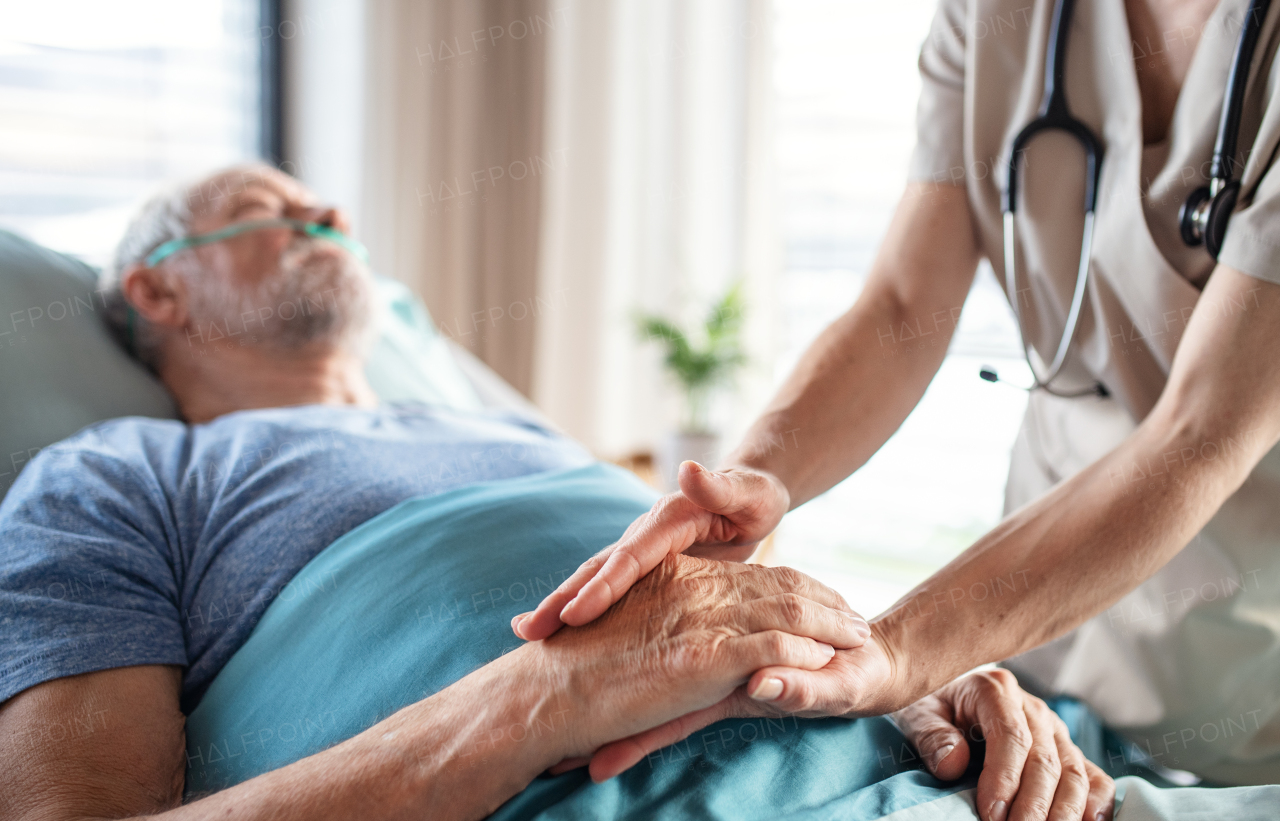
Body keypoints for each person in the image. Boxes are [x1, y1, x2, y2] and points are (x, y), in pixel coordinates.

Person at [0, 166, 1111, 821]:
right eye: (272, 210)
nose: (329, 220)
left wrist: (908, 684)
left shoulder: (516, 431)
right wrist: (533, 703)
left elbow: (710, 622)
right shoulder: (110, 474)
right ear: (155, 286)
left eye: (335, 212)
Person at [518, 0, 1280, 808]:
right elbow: (901, 307)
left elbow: (1200, 433)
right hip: (1034, 662)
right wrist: (752, 482)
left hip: (1243, 698)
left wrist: (897, 650)